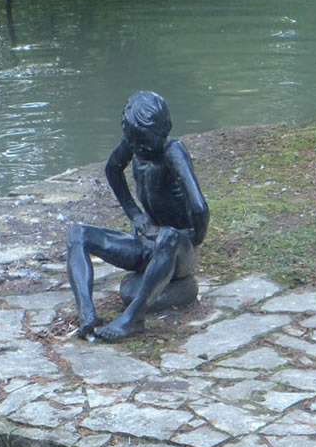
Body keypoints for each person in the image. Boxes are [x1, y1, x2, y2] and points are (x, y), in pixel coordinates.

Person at [66, 90, 209, 341]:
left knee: (169, 237)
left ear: (160, 132)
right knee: (79, 234)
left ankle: (134, 319)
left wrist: (192, 239)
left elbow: (199, 208)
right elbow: (112, 169)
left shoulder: (173, 151)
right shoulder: (133, 145)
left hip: (179, 249)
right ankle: (87, 313)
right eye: (132, 142)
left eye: (142, 143)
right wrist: (134, 213)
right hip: (149, 239)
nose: (136, 149)